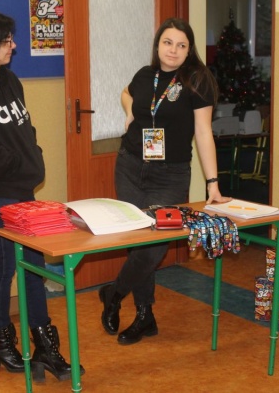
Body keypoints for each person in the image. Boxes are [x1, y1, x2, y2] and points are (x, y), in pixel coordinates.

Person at [0, 9, 83, 382]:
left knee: (33, 268)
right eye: (6, 41)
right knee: (5, 267)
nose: (13, 46)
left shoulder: (9, 80)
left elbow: (26, 129)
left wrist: (33, 156)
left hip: (22, 192)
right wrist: (26, 166)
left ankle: (44, 345)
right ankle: (0, 341)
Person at [99, 17, 231, 345]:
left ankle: (114, 293)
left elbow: (203, 132)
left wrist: (213, 184)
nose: (173, 50)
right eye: (168, 43)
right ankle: (145, 316)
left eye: (181, 45)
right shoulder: (146, 75)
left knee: (154, 245)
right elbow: (127, 93)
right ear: (158, 45)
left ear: (189, 50)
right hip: (130, 166)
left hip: (170, 174)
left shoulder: (197, 80)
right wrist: (130, 110)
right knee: (138, 241)